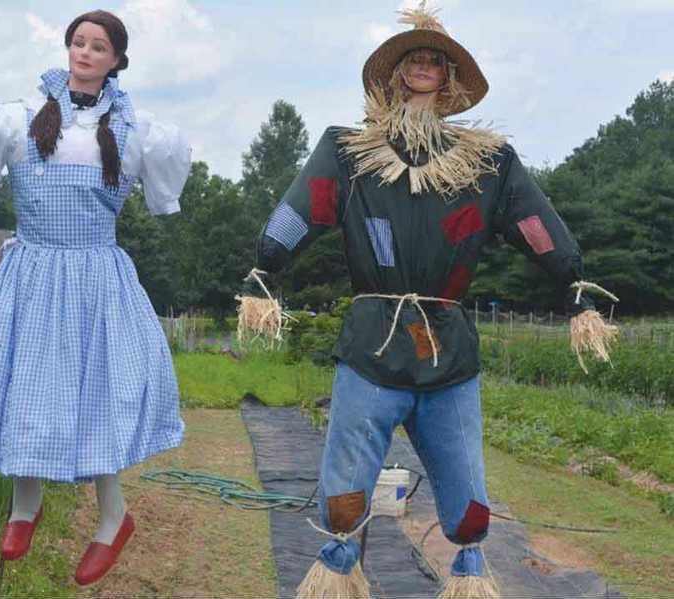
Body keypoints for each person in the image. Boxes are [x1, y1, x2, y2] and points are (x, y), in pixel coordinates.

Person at [252, 3, 617, 598]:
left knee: (469, 502)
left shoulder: (486, 163)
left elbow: (535, 222)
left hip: (448, 351)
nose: (423, 65)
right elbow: (302, 208)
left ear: (449, 77)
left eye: (435, 59)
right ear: (396, 72)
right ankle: (338, 579)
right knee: (344, 497)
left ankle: (469, 579)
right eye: (413, 57)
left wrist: (572, 283)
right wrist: (264, 269)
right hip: (373, 341)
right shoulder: (349, 152)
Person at [0, 9, 191, 586]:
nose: (85, 52)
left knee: (98, 390)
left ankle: (113, 518)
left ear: (116, 60)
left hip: (96, 279)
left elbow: (161, 196)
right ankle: (24, 505)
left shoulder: (135, 130)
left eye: (98, 46)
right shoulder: (21, 117)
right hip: (32, 275)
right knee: (23, 381)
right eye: (78, 42)